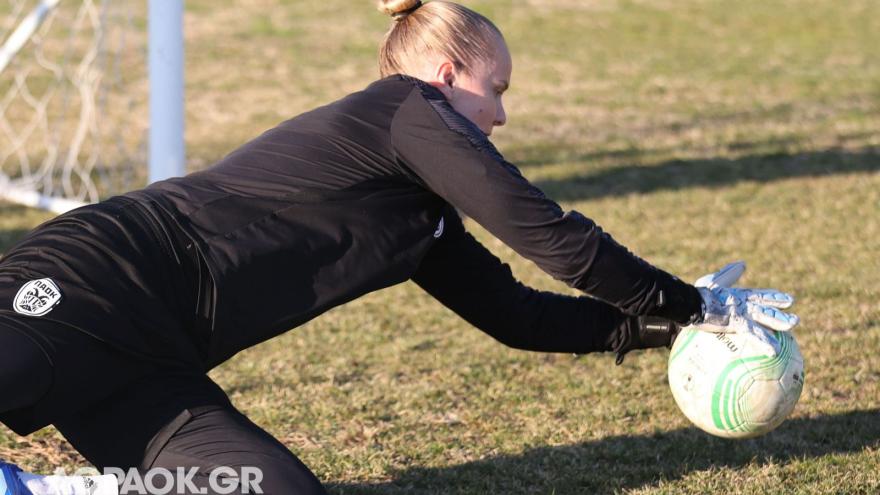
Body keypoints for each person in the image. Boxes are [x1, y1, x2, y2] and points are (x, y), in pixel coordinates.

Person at [0, 1, 798, 494]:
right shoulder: (406, 110)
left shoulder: (425, 221)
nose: (502, 117)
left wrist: (673, 325)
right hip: (102, 273)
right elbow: (549, 234)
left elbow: (514, 315)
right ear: (450, 76)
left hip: (156, 367)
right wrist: (694, 300)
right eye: (499, 89)